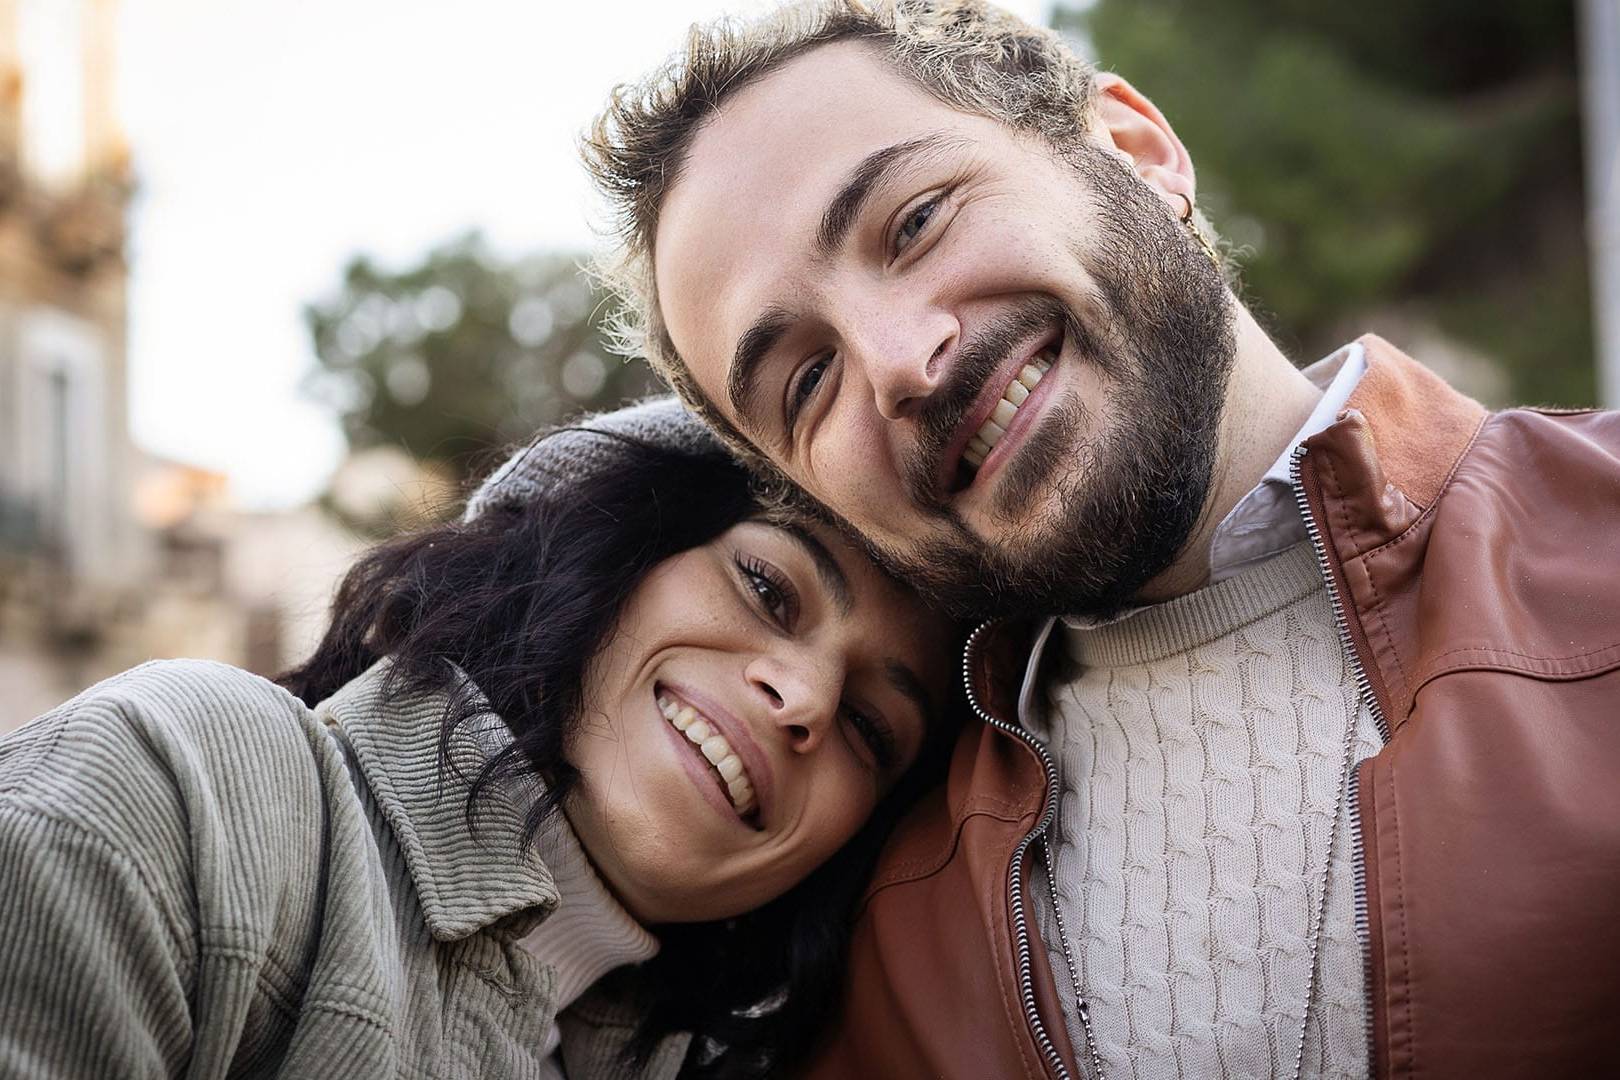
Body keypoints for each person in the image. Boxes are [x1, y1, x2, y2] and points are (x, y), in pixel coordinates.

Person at [580, 2, 1620, 1077]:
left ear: (1137, 149)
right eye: (806, 380)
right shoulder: (855, 948)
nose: (899, 362)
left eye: (917, 220)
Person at [0, 397, 958, 1079]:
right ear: (610, 554)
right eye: (766, 587)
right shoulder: (196, 784)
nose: (803, 699)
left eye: (872, 730)